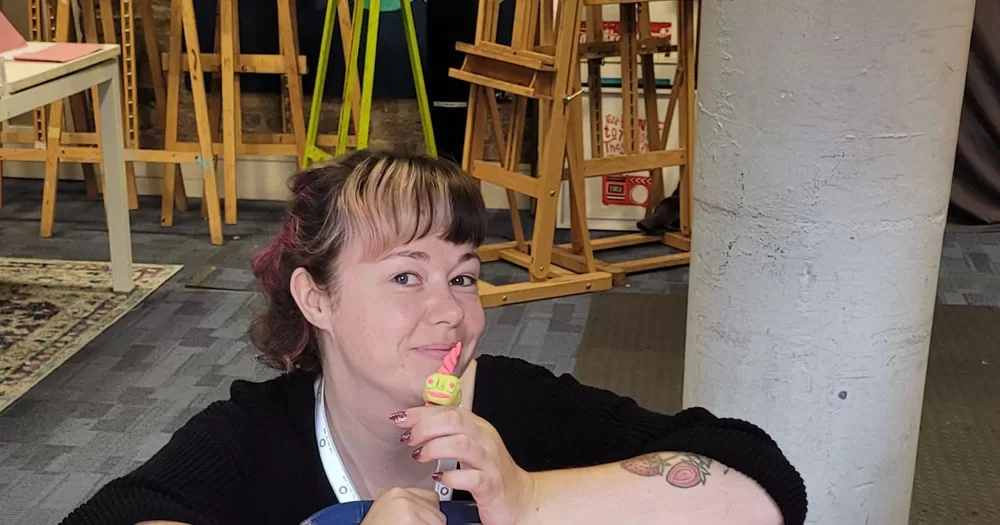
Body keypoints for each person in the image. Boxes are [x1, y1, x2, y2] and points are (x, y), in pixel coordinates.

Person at [61, 150, 807, 525]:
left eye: (463, 276)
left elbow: (764, 483)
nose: (451, 313)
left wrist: (529, 494)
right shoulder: (254, 436)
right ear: (316, 296)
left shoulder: (516, 403)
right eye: (406, 277)